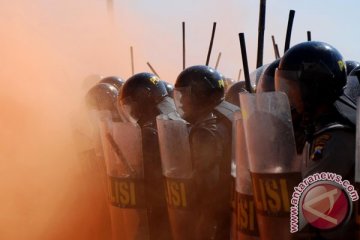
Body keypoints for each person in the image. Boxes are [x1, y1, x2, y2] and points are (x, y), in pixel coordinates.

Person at [274, 41, 356, 239]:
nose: (289, 94)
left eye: (293, 86)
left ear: (313, 86)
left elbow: (310, 215)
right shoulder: (326, 125)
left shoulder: (334, 137)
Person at [174, 65, 233, 240]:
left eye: (185, 94)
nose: (182, 101)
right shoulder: (232, 113)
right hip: (238, 212)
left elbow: (207, 185)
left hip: (218, 215)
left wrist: (203, 221)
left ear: (201, 94)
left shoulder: (205, 131)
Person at [118, 72, 175, 240]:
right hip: (178, 203)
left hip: (157, 203)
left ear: (143, 100)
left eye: (131, 104)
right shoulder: (174, 118)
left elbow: (148, 172)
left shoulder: (150, 130)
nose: (131, 110)